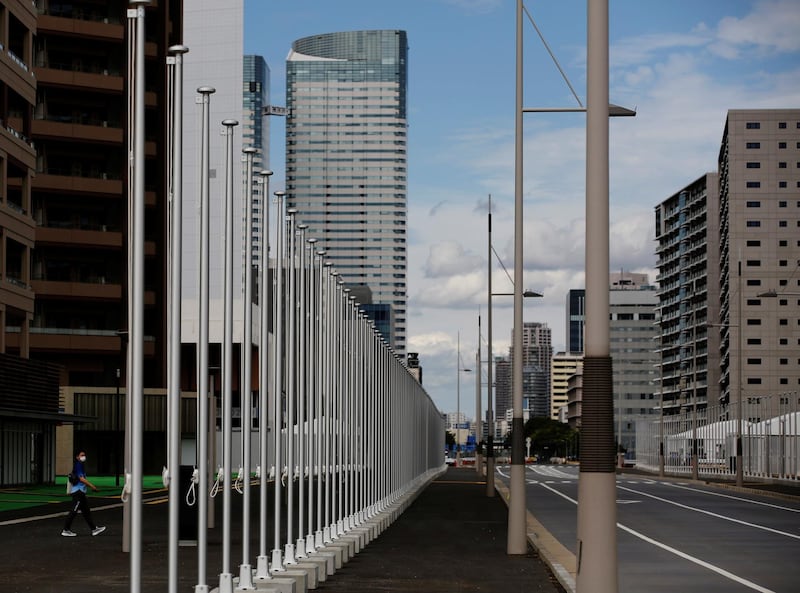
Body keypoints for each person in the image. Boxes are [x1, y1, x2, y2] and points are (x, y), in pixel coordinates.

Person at [62, 451, 106, 537]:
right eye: (82, 455)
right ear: (77, 457)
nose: (84, 457)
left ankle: (94, 529)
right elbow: (81, 479)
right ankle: (66, 530)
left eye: (84, 455)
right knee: (73, 511)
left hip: (81, 492)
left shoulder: (80, 465)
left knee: (86, 512)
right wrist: (92, 486)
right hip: (78, 492)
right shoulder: (78, 465)